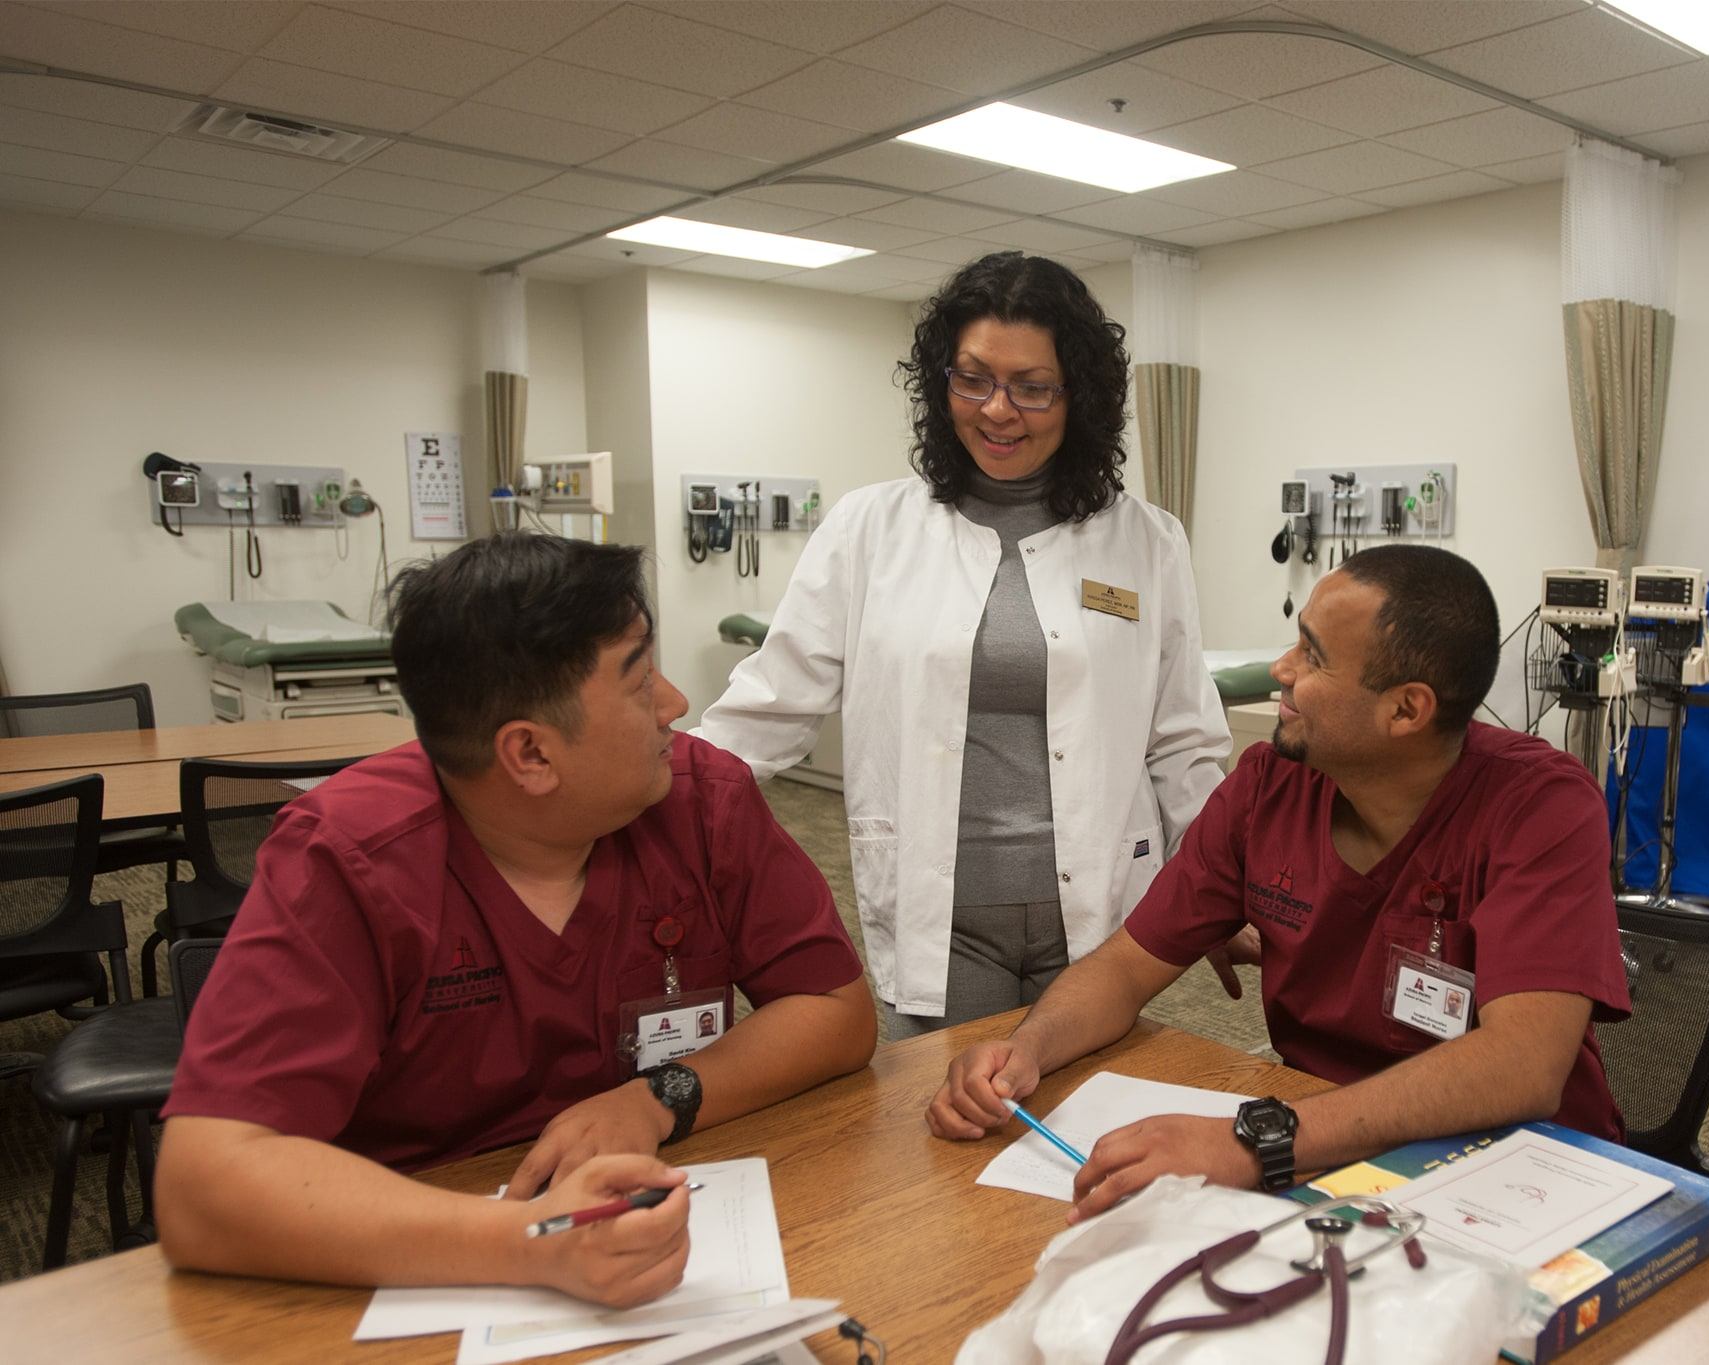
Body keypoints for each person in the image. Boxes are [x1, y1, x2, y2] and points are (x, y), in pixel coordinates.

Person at [156, 534, 876, 1306]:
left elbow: (837, 1011)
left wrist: (659, 1096)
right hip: (418, 1264)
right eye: (640, 682)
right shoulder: (349, 856)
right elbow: (201, 1185)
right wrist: (530, 1244)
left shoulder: (702, 801)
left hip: (666, 1240)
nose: (675, 704)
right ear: (530, 754)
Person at [928, 545, 1630, 1222]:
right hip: (1327, 1155)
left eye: (1313, 657)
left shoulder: (1540, 805)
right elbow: (1123, 969)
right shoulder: (1268, 786)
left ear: (1406, 711)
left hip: (1519, 1175)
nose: (1282, 668)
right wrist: (1028, 1048)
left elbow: (1523, 1065)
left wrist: (1252, 1140)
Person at [696, 251, 1231, 1037]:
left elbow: (1183, 742)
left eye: (1033, 386)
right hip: (939, 910)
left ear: (1078, 395)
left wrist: (1227, 884)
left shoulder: (1148, 541)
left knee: (1087, 1130)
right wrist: (660, 812)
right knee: (941, 1132)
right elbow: (768, 708)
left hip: (1103, 911)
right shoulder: (868, 528)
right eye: (972, 378)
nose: (998, 409)